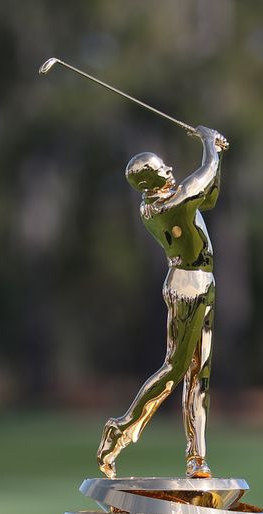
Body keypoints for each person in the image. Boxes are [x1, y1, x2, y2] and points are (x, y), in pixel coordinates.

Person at [97, 125, 229, 479]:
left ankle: (197, 457)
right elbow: (202, 179)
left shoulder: (170, 197)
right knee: (174, 370)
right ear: (149, 185)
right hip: (186, 285)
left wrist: (216, 152)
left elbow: (210, 194)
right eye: (162, 171)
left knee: (199, 375)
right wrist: (207, 142)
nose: (170, 171)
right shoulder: (165, 206)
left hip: (205, 283)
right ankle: (120, 430)